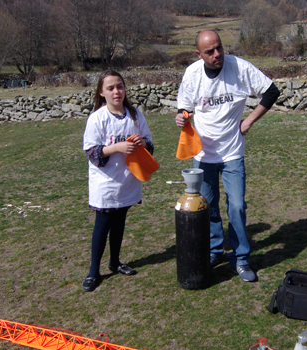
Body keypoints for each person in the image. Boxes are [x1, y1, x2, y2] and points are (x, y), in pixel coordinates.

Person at [175, 30, 280, 282]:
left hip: (232, 152)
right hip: (203, 155)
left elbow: (271, 91)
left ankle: (240, 258)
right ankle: (215, 251)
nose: (217, 54)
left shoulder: (239, 68)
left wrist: (249, 121)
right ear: (199, 54)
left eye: (219, 48)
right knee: (208, 207)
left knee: (236, 207)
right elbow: (185, 106)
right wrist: (181, 116)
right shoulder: (192, 74)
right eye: (210, 51)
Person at [82, 69, 154, 291]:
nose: (116, 91)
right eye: (110, 88)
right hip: (105, 183)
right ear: (102, 92)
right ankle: (94, 271)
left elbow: (150, 144)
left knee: (120, 221)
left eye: (120, 86)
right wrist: (116, 148)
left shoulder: (135, 115)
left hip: (127, 180)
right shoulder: (97, 118)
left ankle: (115, 262)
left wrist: (142, 143)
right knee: (102, 225)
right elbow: (92, 152)